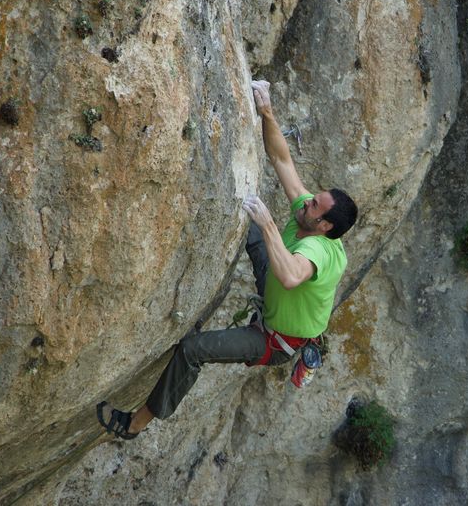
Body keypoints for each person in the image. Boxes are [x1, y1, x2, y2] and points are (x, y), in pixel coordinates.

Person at [97, 80, 358, 439]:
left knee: (192, 350)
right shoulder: (310, 217)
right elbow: (282, 160)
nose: (306, 201)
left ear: (325, 226)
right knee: (244, 220)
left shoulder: (320, 252)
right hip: (276, 288)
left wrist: (268, 224)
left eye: (314, 205)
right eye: (314, 199)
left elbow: (291, 276)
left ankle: (134, 424)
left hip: (275, 339)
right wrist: (267, 112)